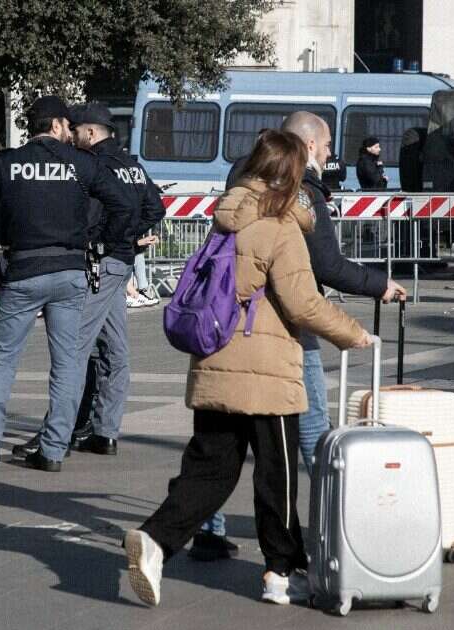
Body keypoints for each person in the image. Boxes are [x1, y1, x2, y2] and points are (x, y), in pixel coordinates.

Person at [123, 130, 372, 608]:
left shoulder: (227, 219)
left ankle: (155, 540)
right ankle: (282, 571)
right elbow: (302, 303)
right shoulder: (280, 227)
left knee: (210, 470)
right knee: (276, 478)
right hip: (266, 372)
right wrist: (352, 333)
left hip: (216, 360)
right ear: (293, 174)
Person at [192, 111, 407, 560]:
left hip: (221, 327)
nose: (329, 156)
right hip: (279, 334)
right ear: (308, 147)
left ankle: (201, 530)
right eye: (326, 147)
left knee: (218, 446)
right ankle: (334, 534)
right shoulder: (298, 195)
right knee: (310, 437)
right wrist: (372, 297)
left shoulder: (243, 184)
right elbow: (316, 276)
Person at [0, 96, 136, 473]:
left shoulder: (6, 163)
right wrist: (100, 243)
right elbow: (125, 205)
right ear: (59, 125)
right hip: (69, 270)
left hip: (22, 268)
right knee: (66, 364)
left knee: (2, 361)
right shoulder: (80, 163)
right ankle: (53, 450)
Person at [13, 102, 159, 458]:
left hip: (101, 263)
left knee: (73, 350)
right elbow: (155, 208)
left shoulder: (97, 166)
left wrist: (103, 241)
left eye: (75, 131)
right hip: (121, 263)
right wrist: (128, 239)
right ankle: (104, 430)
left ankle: (55, 436)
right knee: (114, 349)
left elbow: (93, 215)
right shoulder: (131, 165)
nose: (72, 137)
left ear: (90, 133)